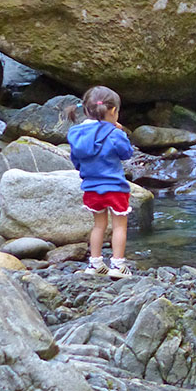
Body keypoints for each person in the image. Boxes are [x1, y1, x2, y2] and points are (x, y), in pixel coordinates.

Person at [66, 85, 135, 278]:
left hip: (91, 188)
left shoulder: (77, 134)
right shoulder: (113, 133)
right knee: (120, 225)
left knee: (98, 226)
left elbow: (76, 161)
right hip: (115, 187)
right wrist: (121, 133)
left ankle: (95, 263)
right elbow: (126, 153)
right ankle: (118, 265)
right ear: (113, 111)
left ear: (86, 109)